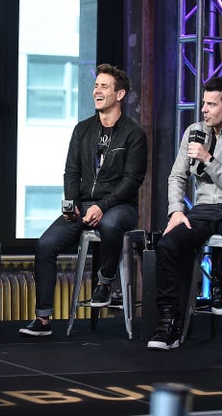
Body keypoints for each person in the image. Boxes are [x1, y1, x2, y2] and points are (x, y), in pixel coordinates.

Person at [19, 64, 147, 337]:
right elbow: (71, 171)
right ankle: (42, 319)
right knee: (45, 244)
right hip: (84, 204)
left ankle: (104, 282)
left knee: (111, 225)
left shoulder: (133, 134)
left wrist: (104, 205)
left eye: (104, 86)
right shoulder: (82, 130)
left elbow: (132, 181)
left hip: (120, 206)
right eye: (96, 86)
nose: (97, 91)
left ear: (120, 94)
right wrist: (72, 203)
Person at [147, 76, 222, 351]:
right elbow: (177, 175)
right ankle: (168, 322)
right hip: (203, 208)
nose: (204, 110)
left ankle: (221, 283)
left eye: (211, 104)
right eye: (203, 103)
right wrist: (176, 210)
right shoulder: (194, 132)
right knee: (167, 244)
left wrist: (208, 160)